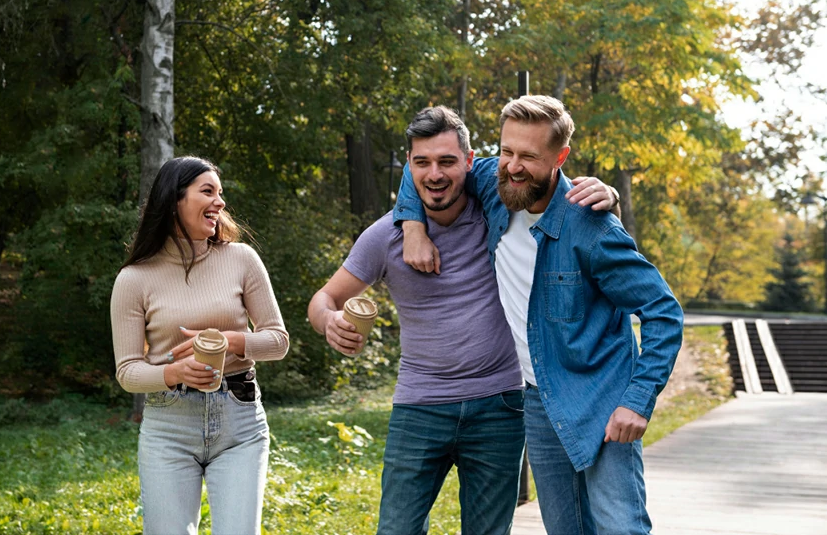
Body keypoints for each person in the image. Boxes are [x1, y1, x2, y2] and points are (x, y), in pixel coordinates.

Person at [307, 106, 615, 535]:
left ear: (471, 164)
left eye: (448, 162)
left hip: (500, 405)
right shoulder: (385, 236)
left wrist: (604, 193)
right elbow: (324, 298)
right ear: (409, 166)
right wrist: (328, 320)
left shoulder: (500, 213)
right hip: (419, 405)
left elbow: (543, 182)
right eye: (421, 162)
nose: (434, 174)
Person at [394, 95, 683, 535]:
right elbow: (426, 161)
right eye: (507, 150)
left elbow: (663, 312)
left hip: (601, 400)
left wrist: (637, 400)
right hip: (538, 399)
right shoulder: (494, 182)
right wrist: (412, 225)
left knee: (618, 527)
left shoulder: (592, 226)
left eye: (529, 156)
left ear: (560, 157)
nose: (512, 166)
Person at [110, 156, 289, 535]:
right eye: (207, 191)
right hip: (168, 428)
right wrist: (171, 373)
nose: (220, 202)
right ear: (174, 200)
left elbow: (277, 340)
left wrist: (233, 341)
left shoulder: (242, 259)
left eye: (220, 193)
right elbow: (128, 371)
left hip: (240, 422)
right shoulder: (133, 278)